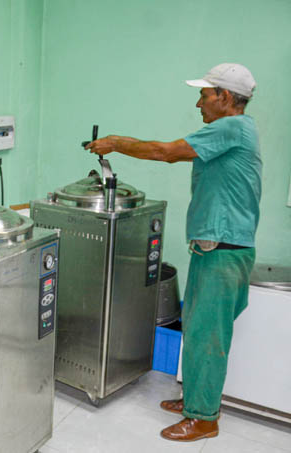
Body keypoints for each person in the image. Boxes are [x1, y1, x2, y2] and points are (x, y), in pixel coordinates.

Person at [84, 63, 262, 442]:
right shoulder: (234, 130)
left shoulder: (231, 127)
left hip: (224, 253)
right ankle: (194, 401)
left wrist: (116, 142)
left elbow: (165, 152)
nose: (199, 103)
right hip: (212, 249)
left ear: (225, 97)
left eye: (204, 94)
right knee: (197, 330)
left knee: (208, 336)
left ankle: (204, 418)